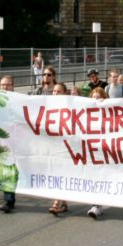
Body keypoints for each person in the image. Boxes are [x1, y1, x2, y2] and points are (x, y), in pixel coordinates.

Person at [87, 87, 109, 219]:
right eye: (93, 97)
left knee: (100, 175)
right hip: (88, 149)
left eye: (98, 97)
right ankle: (96, 204)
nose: (95, 100)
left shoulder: (108, 112)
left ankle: (97, 205)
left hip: (102, 149)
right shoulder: (84, 111)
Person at [49, 82, 70, 215]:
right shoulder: (47, 106)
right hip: (54, 145)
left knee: (62, 173)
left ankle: (57, 202)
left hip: (67, 146)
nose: (55, 94)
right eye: (54, 91)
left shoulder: (71, 106)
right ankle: (64, 202)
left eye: (59, 91)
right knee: (58, 173)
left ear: (64, 93)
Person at [0, 75, 16, 212]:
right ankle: (8, 199)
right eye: (3, 84)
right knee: (6, 169)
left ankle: (9, 200)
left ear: (12, 86)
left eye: (8, 84)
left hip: (17, 140)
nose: (5, 87)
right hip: (3, 141)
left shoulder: (18, 100)